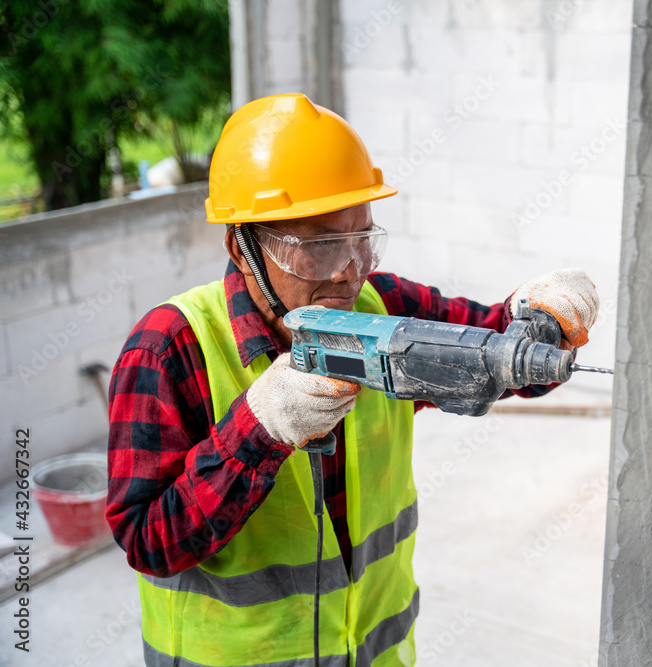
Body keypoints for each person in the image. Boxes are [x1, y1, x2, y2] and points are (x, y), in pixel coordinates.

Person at [105, 92, 600, 667]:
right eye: (318, 246)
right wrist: (257, 432)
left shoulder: (380, 308)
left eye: (361, 237)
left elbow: (492, 352)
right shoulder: (170, 348)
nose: (348, 267)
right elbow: (148, 542)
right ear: (241, 248)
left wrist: (543, 317)